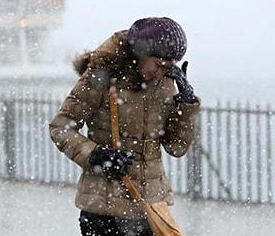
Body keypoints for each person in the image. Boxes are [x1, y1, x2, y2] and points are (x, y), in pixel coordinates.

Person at [49, 17, 200, 236]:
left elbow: (177, 147)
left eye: (168, 67)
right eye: (158, 65)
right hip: (103, 209)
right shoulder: (101, 76)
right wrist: (96, 155)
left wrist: (186, 104)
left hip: (151, 208)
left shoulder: (165, 82)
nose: (160, 73)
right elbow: (60, 127)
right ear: (140, 52)